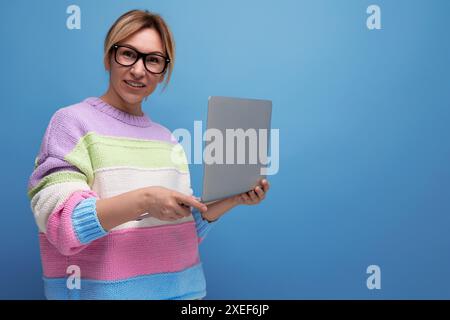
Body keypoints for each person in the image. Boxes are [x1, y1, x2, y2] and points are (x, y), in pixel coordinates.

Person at [27, 9, 270, 300]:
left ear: (163, 71)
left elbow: (180, 231)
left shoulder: (168, 140)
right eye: (128, 54)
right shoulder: (71, 123)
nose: (139, 70)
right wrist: (144, 200)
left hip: (185, 293)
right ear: (109, 57)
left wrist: (232, 199)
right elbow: (61, 224)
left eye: (153, 60)